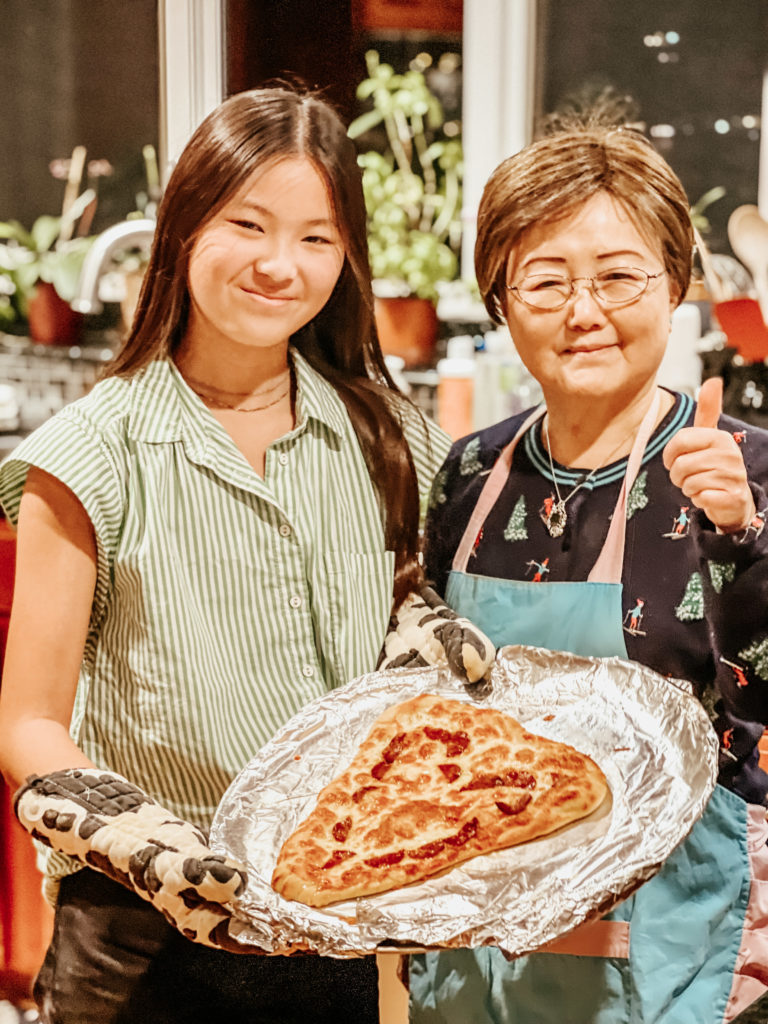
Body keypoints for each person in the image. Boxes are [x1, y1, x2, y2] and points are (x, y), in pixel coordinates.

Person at [0, 85, 479, 1024]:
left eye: (316, 237)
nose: (279, 264)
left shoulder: (389, 439)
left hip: (325, 904)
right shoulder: (90, 451)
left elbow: (406, 619)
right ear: (183, 229)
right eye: (247, 224)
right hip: (135, 933)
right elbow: (28, 724)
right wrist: (146, 841)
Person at [410, 121, 768, 1023]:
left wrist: (741, 537)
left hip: (676, 944)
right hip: (479, 942)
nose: (584, 311)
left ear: (676, 285)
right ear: (500, 301)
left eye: (619, 276)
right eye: (545, 280)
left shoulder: (749, 470)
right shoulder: (468, 473)